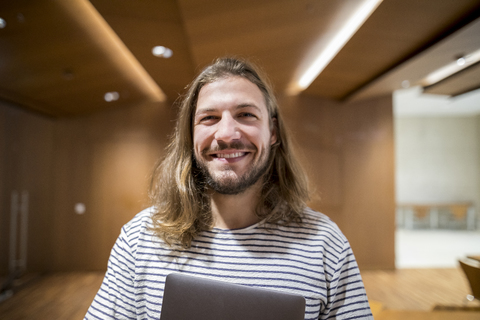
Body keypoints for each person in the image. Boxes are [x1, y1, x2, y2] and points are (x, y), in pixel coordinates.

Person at [85, 57, 373, 320]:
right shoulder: (140, 238)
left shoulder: (324, 243)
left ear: (272, 132)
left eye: (246, 114)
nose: (226, 134)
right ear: (191, 134)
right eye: (209, 118)